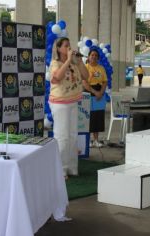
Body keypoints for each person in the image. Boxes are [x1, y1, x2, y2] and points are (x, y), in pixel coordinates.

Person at [49, 37, 89, 178]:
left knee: (72, 135)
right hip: (60, 103)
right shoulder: (55, 63)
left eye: (69, 45)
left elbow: (86, 76)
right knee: (62, 137)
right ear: (59, 48)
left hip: (73, 102)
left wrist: (78, 61)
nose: (69, 48)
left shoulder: (74, 63)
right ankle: (60, 169)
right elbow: (57, 77)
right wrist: (67, 61)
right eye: (66, 46)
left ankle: (72, 167)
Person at [83, 49, 107, 148]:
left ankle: (96, 140)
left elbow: (105, 81)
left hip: (99, 94)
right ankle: (87, 141)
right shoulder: (85, 68)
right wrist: (95, 92)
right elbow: (84, 83)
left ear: (98, 58)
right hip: (88, 93)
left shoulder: (101, 68)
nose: (94, 56)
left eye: (96, 55)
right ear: (88, 57)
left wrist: (100, 92)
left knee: (97, 117)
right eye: (92, 55)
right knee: (88, 117)